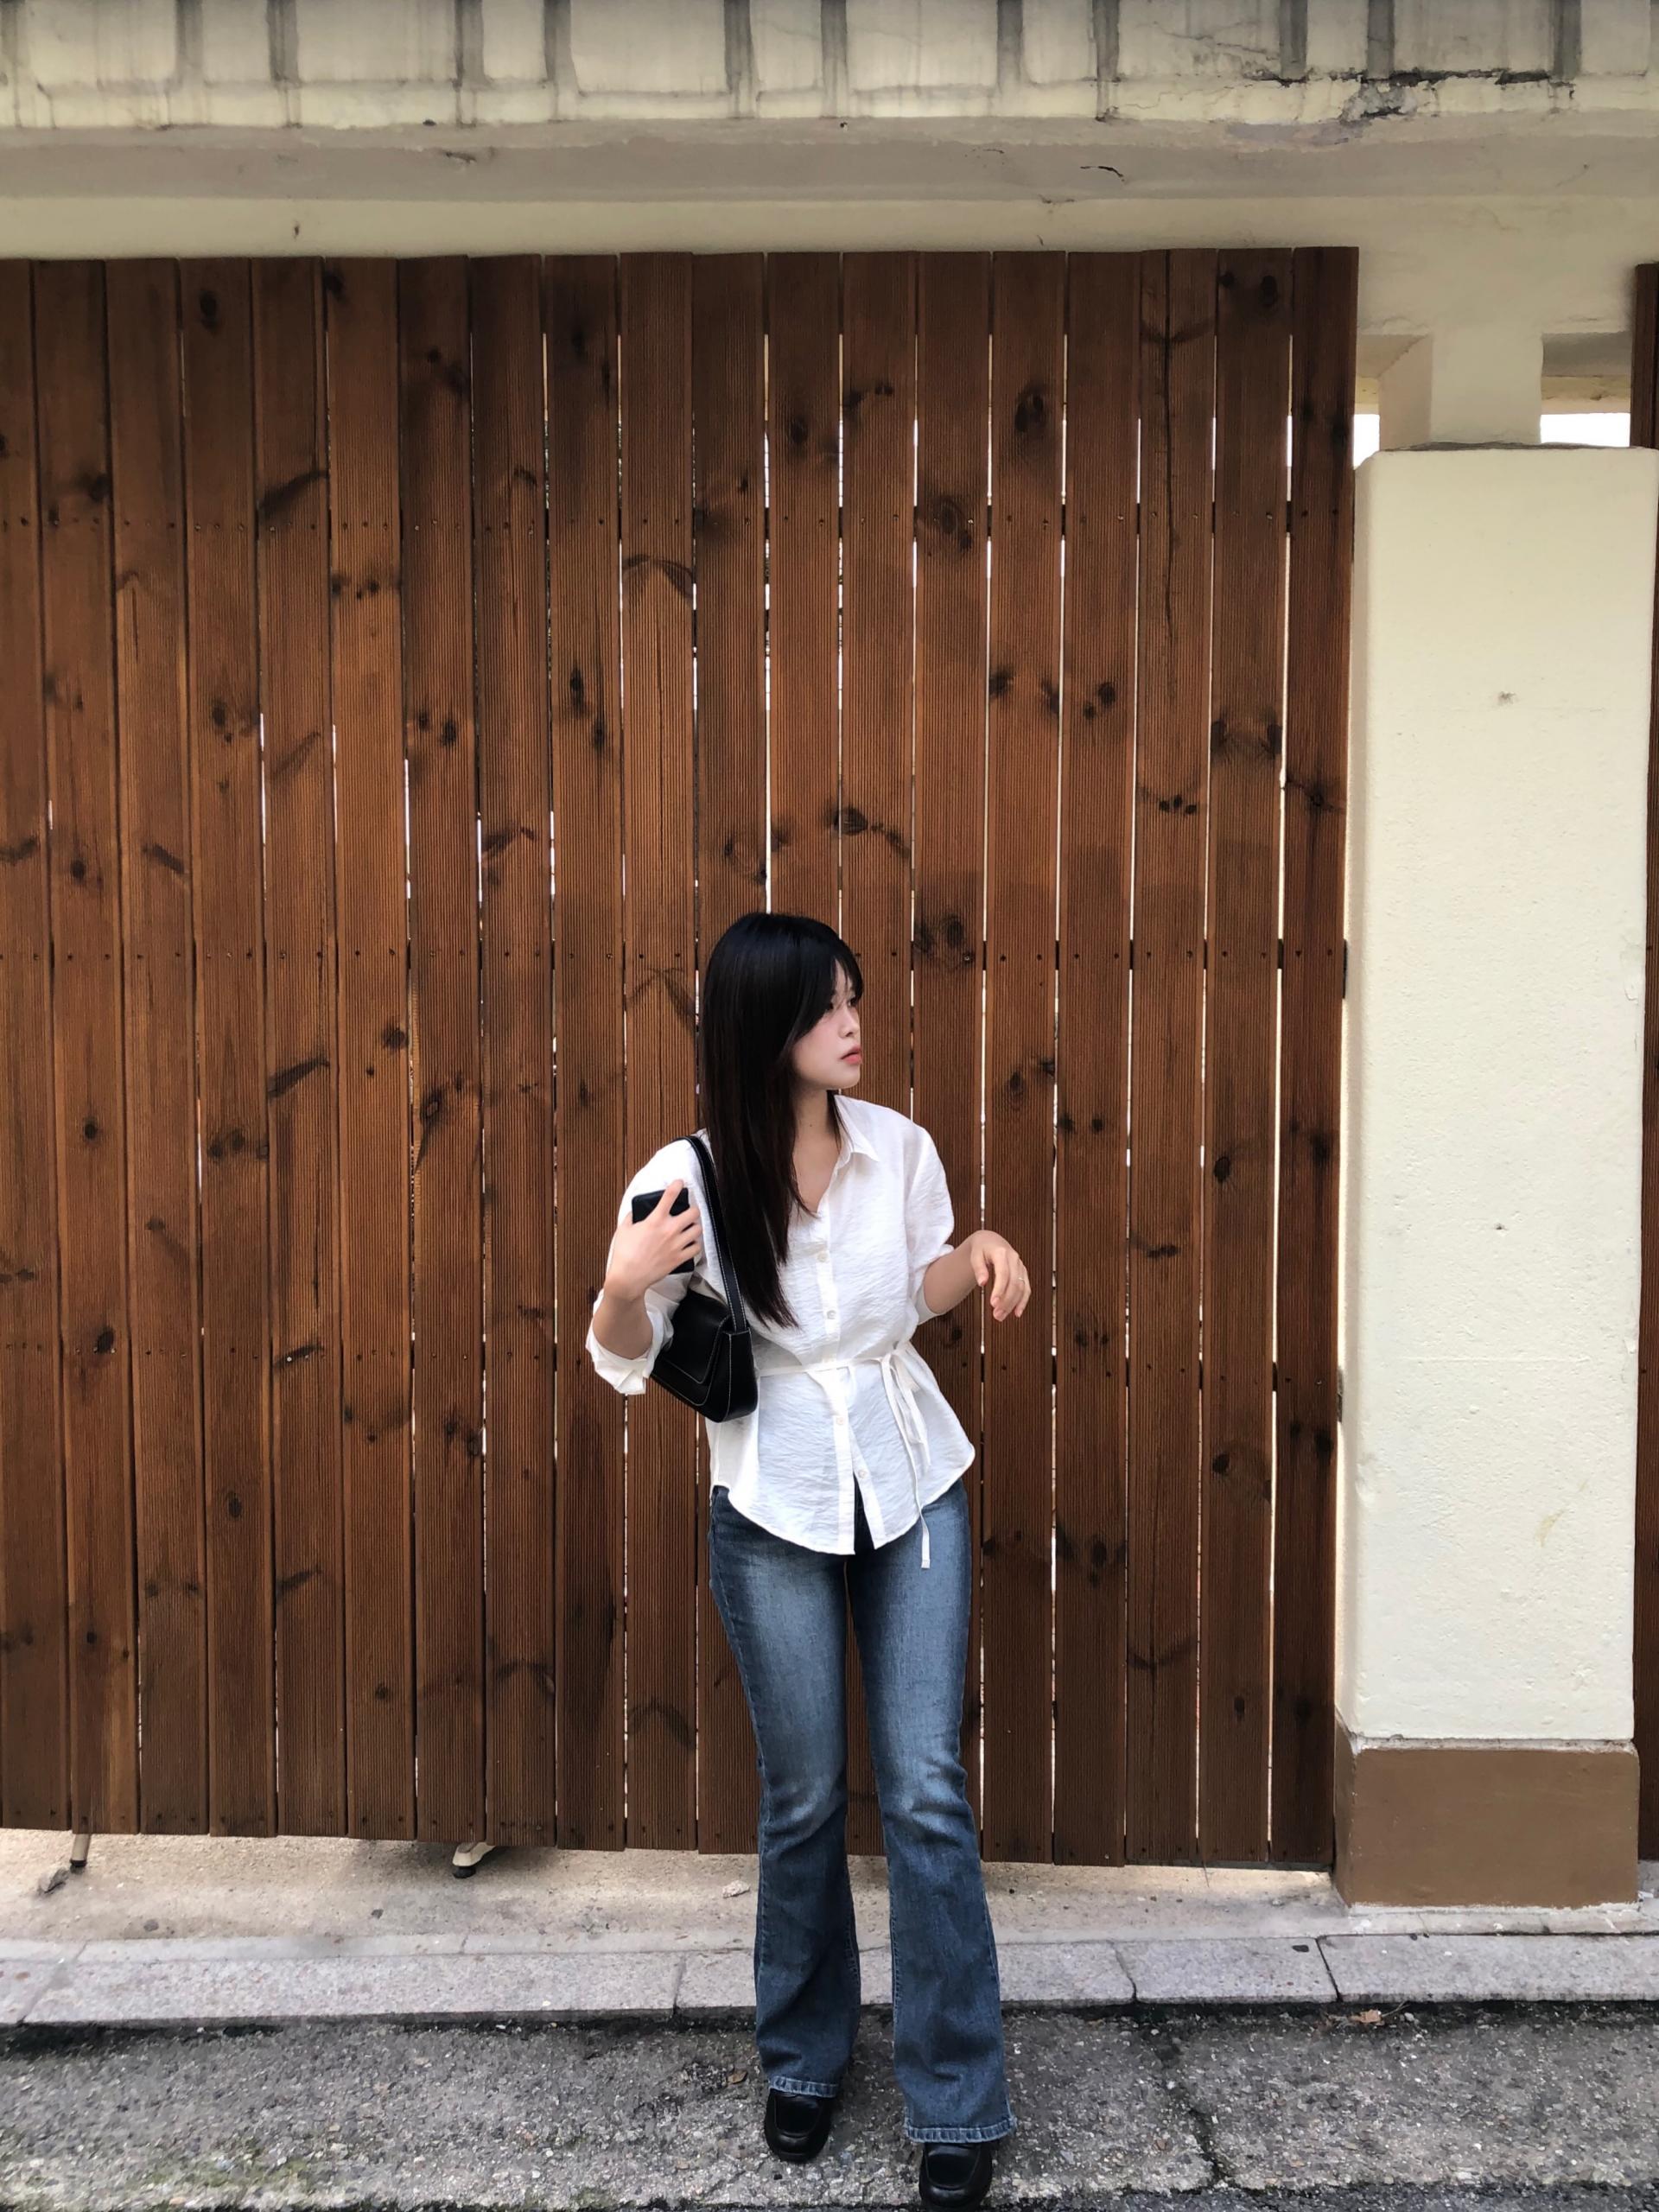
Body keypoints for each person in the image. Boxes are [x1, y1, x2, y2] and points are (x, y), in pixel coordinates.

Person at [585, 910, 1031, 2210]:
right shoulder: (687, 1176)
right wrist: (622, 1281)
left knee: (926, 1789)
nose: (853, 1021)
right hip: (770, 1498)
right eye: (828, 1004)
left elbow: (909, 1299)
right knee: (801, 1802)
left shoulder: (898, 1148)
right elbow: (621, 1357)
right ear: (765, 1024)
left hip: (912, 1481)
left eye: (852, 997)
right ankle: (804, 2060)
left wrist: (973, 1258)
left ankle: (958, 2098)